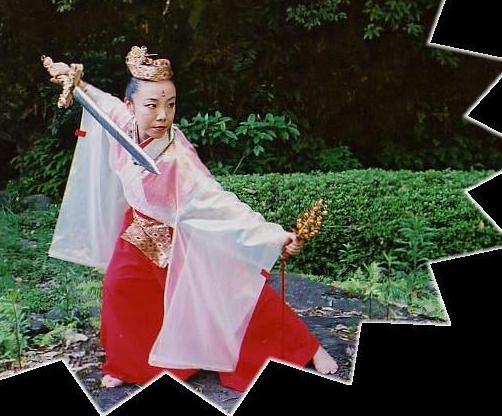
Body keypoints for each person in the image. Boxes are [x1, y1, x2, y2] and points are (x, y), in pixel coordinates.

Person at [45, 46, 338, 391]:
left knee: (232, 290)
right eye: (152, 105)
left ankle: (306, 347)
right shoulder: (122, 122)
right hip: (139, 228)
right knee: (119, 287)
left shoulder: (177, 155)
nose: (162, 115)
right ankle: (128, 365)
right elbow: (99, 101)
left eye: (170, 105)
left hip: (180, 233)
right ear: (131, 106)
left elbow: (217, 201)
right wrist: (71, 78)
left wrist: (273, 236)